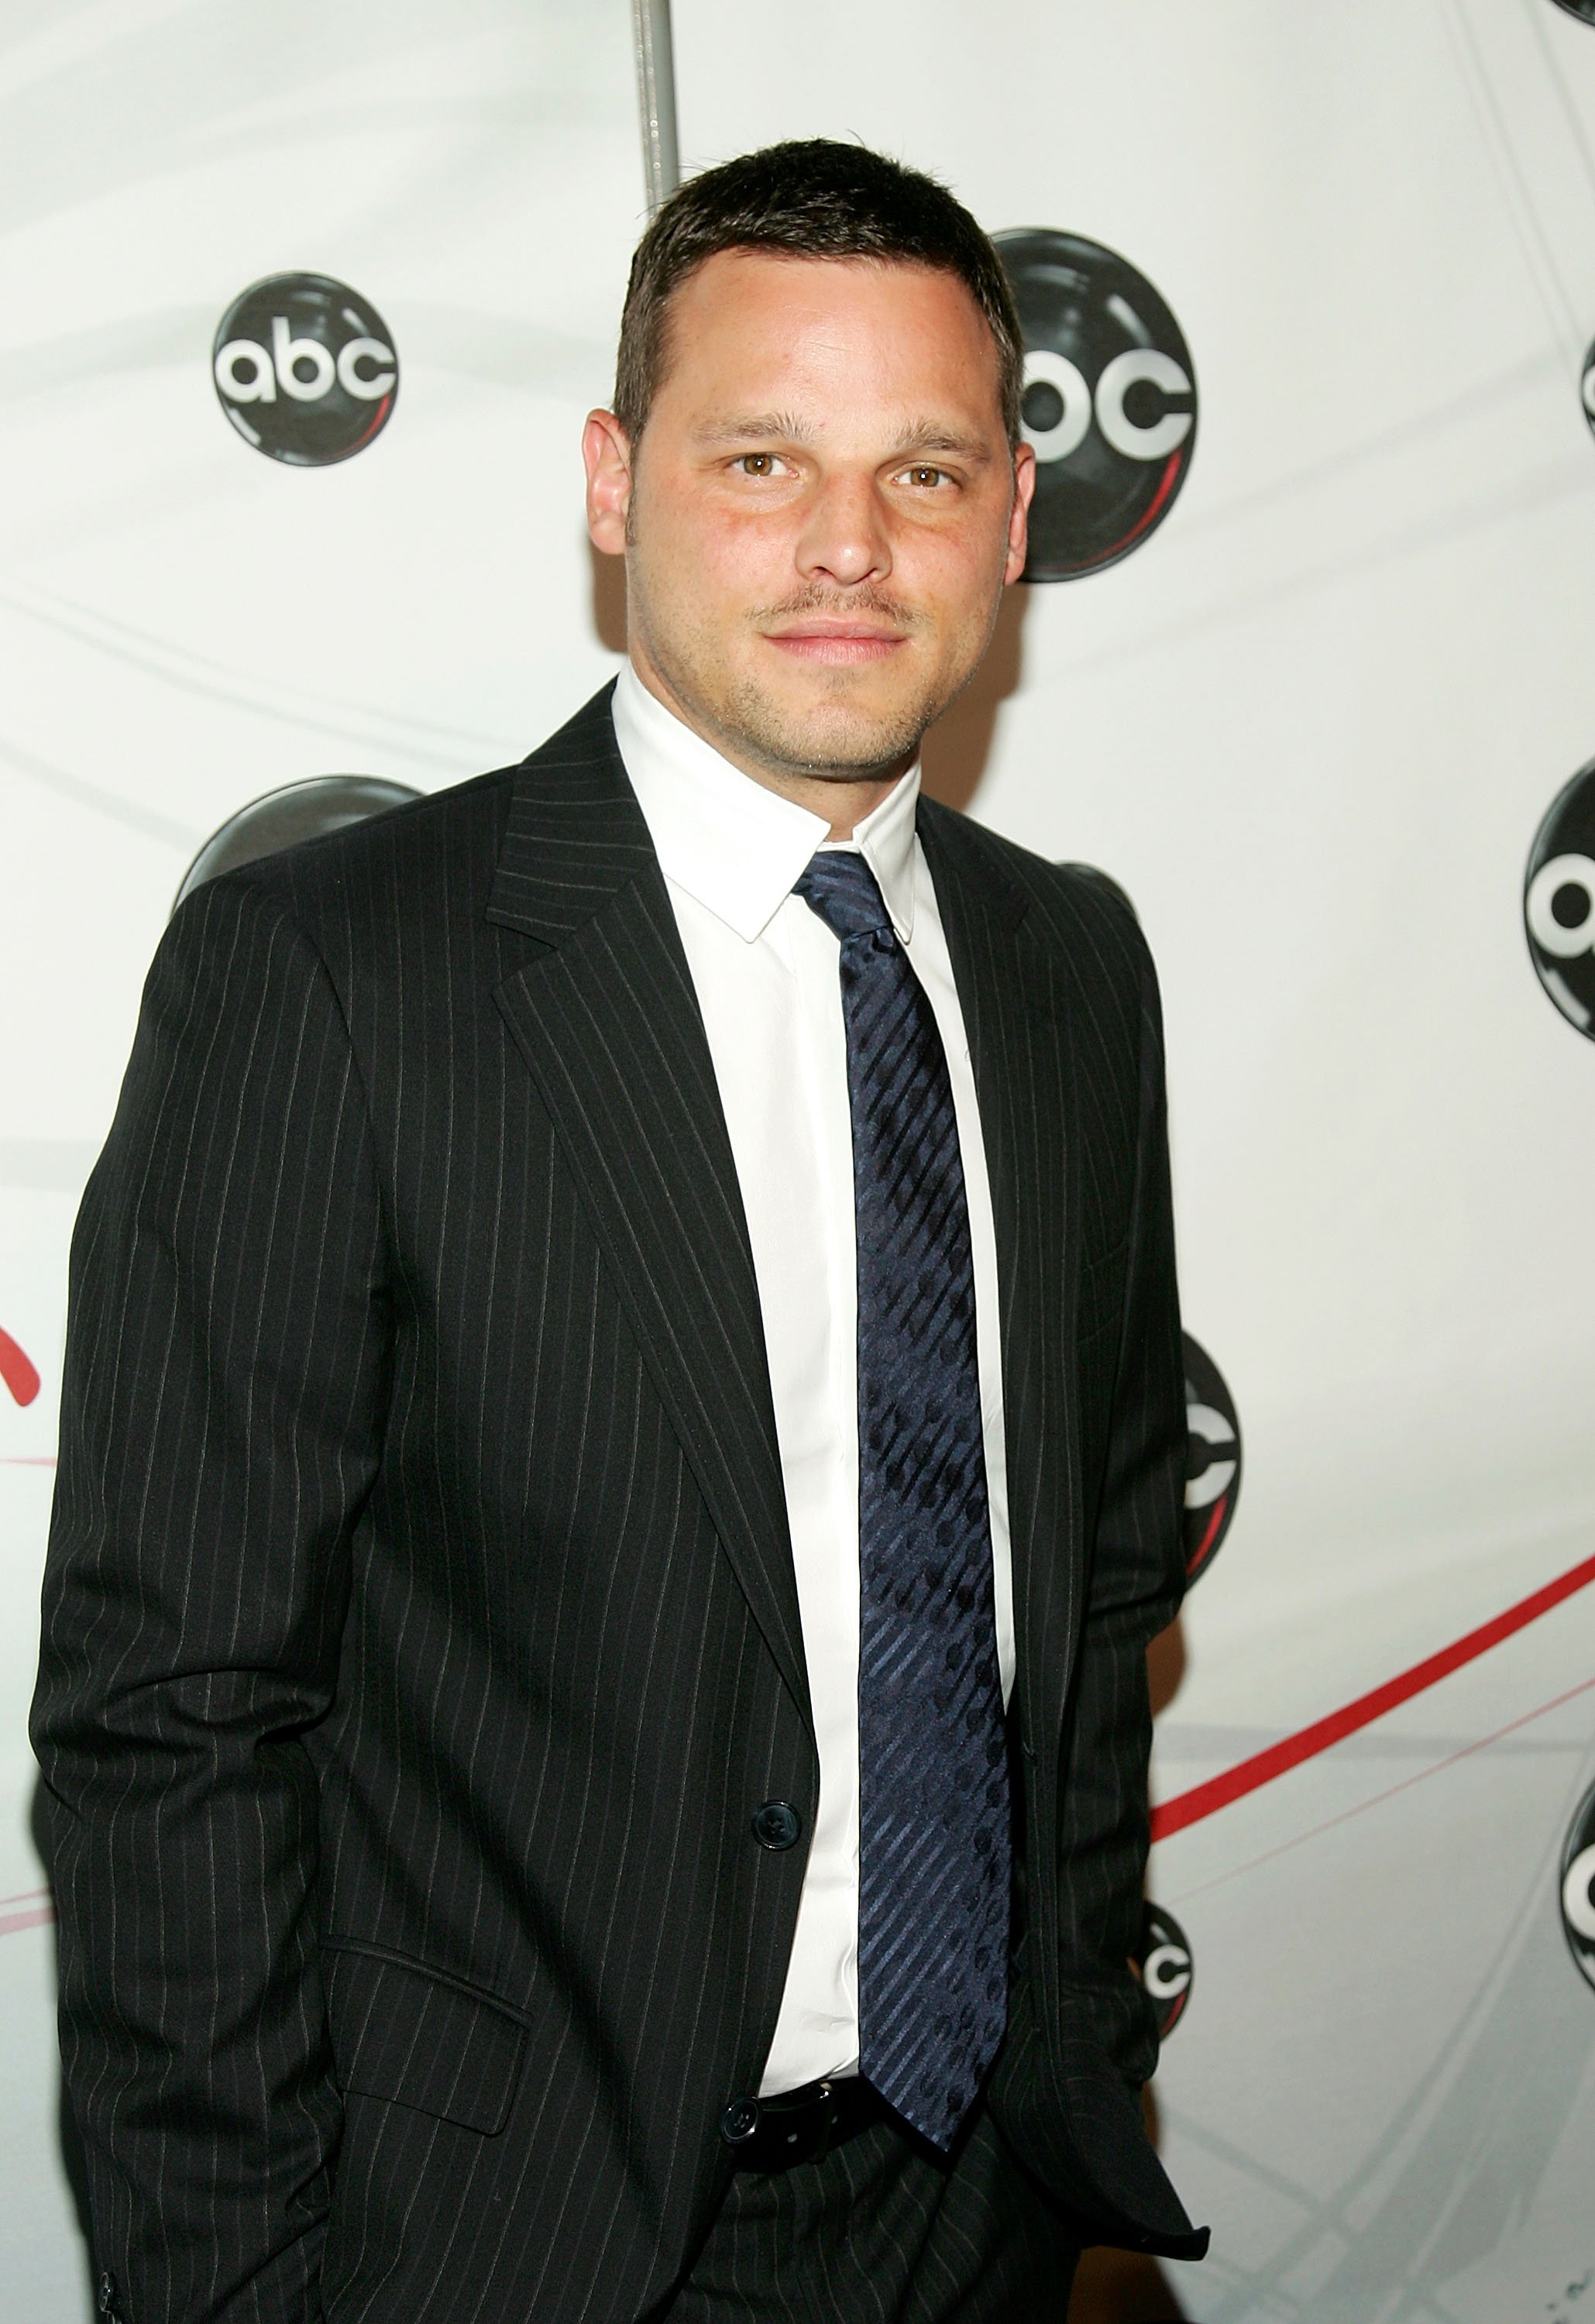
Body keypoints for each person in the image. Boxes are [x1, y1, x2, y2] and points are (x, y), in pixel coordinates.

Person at [32, 139, 1206, 2324]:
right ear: (613, 481)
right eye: (760, 458)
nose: (848, 546)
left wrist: (1075, 2085)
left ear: (1017, 519)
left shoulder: (1070, 970)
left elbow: (1105, 1577)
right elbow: (169, 1726)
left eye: (927, 471)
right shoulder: (335, 980)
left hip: (981, 2209)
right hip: (514, 2248)